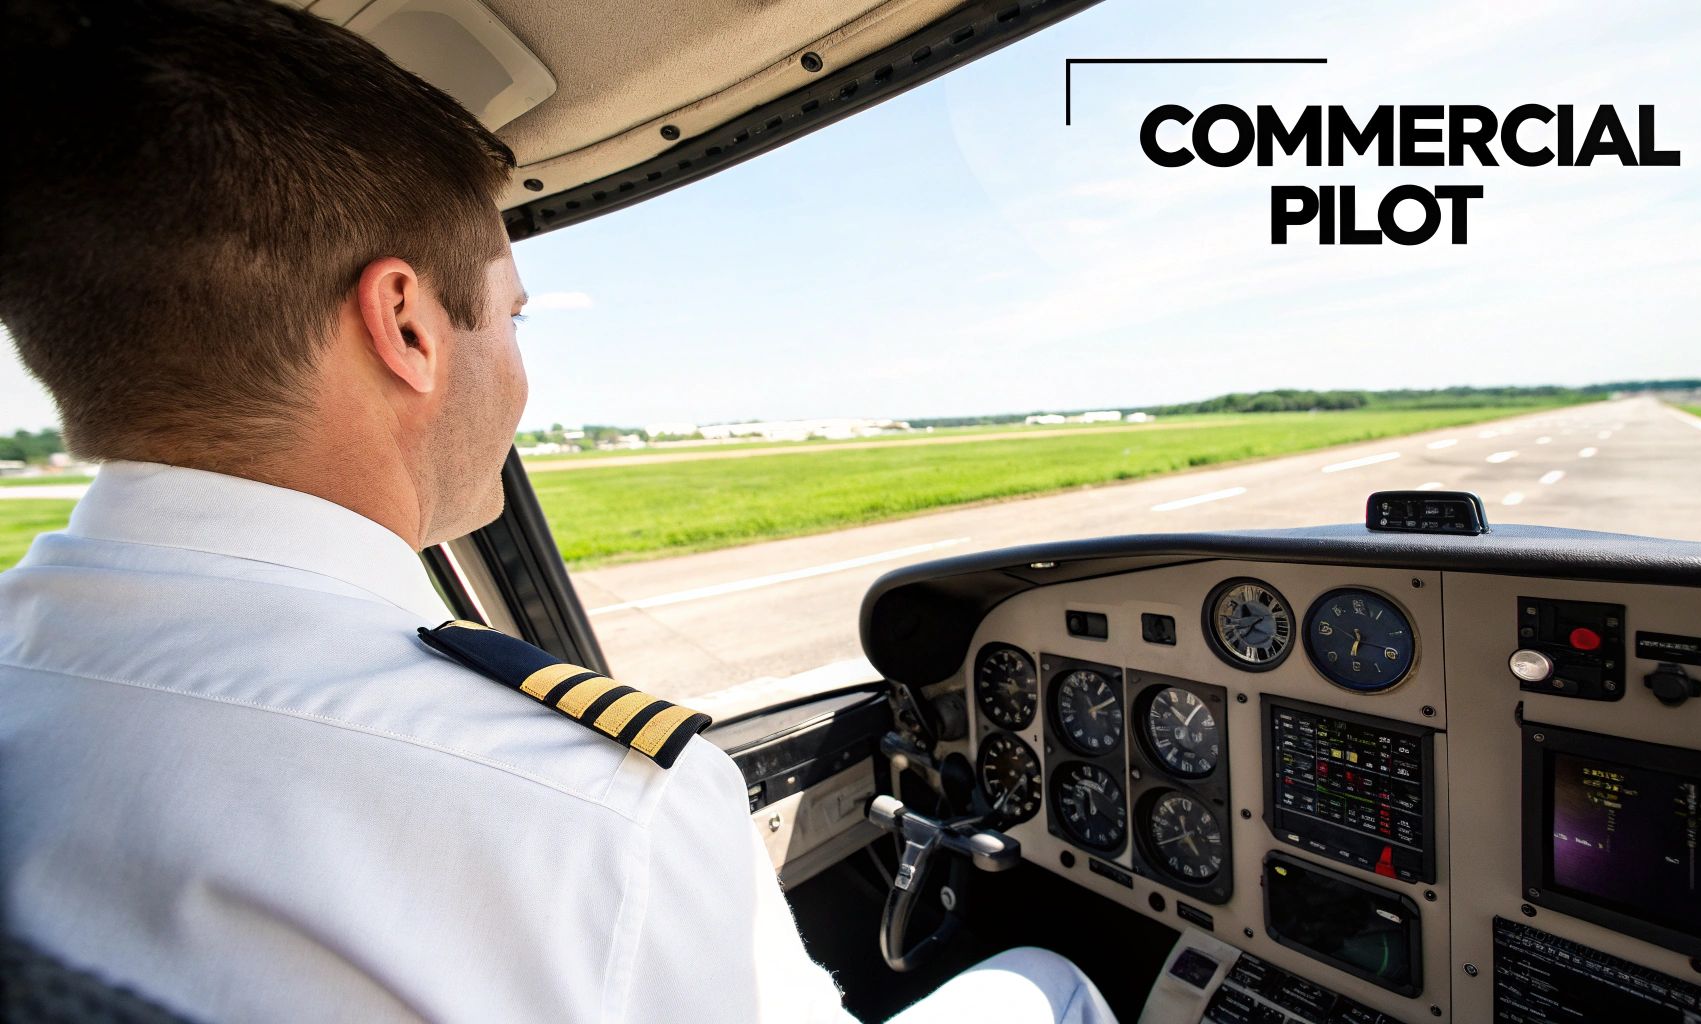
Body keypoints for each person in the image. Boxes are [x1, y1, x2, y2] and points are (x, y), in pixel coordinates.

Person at [0, 1, 1115, 1021]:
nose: (521, 372)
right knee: (1052, 980)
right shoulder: (592, 805)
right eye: (511, 318)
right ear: (407, 326)